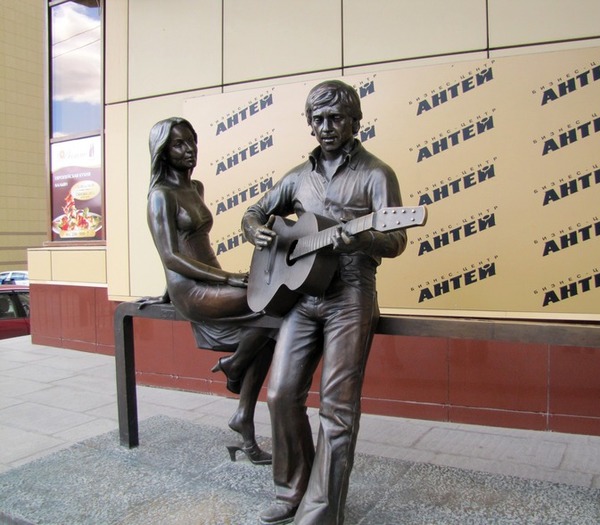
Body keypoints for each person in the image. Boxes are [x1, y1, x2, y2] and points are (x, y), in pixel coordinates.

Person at [242, 80, 407, 525]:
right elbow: (255, 212)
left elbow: (396, 240)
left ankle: (321, 509)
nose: (326, 127)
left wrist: (356, 238)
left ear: (355, 120)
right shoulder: (297, 176)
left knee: (336, 405)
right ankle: (292, 490)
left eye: (336, 118)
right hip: (301, 295)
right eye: (318, 119)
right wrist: (253, 228)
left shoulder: (376, 173)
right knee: (279, 394)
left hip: (350, 295)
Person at [145, 117, 275, 464]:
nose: (189, 151)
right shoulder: (160, 196)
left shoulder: (195, 187)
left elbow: (194, 244)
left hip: (211, 278)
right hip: (191, 290)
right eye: (178, 145)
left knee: (269, 330)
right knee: (271, 307)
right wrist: (227, 279)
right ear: (162, 152)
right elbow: (171, 256)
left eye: (192, 142)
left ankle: (242, 413)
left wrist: (226, 277)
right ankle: (234, 368)